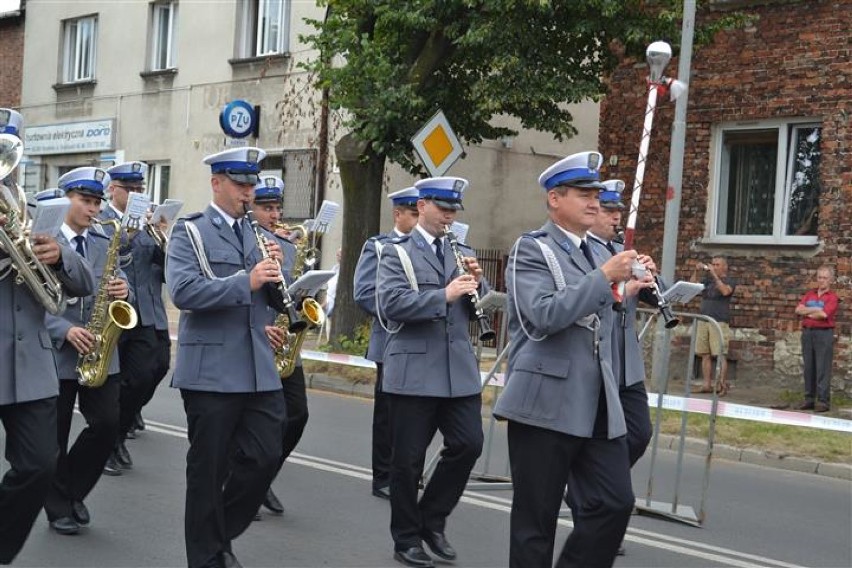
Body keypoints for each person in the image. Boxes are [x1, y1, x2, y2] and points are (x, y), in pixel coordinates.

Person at [493, 151, 637, 568]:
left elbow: (599, 319)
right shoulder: (532, 249)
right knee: (535, 522)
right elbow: (542, 316)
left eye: (596, 194)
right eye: (584, 194)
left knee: (614, 502)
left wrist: (624, 290)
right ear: (555, 198)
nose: (595, 202)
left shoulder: (596, 252)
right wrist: (605, 278)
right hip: (545, 400)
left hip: (595, 400)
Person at [166, 147, 287, 568]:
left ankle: (218, 534)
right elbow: (184, 293)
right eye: (241, 184)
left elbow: (269, 299)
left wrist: (278, 301)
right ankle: (207, 557)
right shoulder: (190, 232)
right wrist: (246, 281)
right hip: (211, 372)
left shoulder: (262, 236)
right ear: (216, 183)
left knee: (265, 457)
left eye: (252, 185)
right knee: (208, 472)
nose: (248, 193)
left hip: (257, 367)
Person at [0, 109, 95, 564]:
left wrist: (57, 257)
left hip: (32, 367)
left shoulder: (38, 212)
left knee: (40, 466)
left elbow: (82, 285)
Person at [377, 177, 486, 568]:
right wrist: (444, 294)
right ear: (422, 206)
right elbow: (391, 303)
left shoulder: (462, 250)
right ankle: (405, 538)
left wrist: (478, 282)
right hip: (414, 368)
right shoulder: (396, 252)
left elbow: (475, 308)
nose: (449, 218)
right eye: (443, 209)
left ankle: (432, 519)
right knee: (407, 461)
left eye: (454, 211)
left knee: (469, 444)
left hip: (457, 370)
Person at [43, 167, 132, 536]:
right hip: (56, 352)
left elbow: (124, 284)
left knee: (108, 424)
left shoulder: (101, 241)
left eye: (97, 202)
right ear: (66, 199)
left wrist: (124, 291)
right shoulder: (43, 240)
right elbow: (28, 300)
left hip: (100, 349)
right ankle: (57, 507)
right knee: (55, 436)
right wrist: (64, 330)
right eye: (85, 201)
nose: (93, 209)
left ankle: (73, 489)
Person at [582, 178, 656, 556]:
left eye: (617, 212)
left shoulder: (623, 252)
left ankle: (602, 496)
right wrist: (622, 289)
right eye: (608, 210)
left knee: (639, 434)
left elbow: (634, 305)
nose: (614, 218)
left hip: (627, 364)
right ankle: (597, 512)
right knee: (598, 444)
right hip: (600, 362)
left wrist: (651, 282)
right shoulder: (585, 253)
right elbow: (586, 301)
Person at [99, 161, 171, 476]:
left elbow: (166, 269)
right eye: (129, 189)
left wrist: (162, 236)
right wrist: (128, 231)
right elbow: (109, 257)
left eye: (139, 189)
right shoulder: (101, 220)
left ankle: (117, 433)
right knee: (113, 383)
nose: (136, 194)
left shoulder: (147, 225)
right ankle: (107, 441)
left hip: (143, 314)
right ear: (112, 189)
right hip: (113, 312)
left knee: (143, 376)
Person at [353, 186, 420, 501]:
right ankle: (383, 476)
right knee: (389, 413)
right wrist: (397, 314)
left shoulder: (427, 248)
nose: (420, 220)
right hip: (391, 337)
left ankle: (408, 472)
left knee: (419, 412)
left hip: (423, 342)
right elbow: (365, 292)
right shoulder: (379, 247)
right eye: (414, 213)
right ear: (398, 214)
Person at [248, 175, 307, 518]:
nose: (274, 214)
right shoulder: (245, 242)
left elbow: (292, 293)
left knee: (297, 414)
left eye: (276, 207)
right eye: (266, 207)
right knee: (252, 424)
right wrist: (262, 327)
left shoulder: (287, 246)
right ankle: (245, 482)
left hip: (284, 342)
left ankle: (262, 477)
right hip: (256, 340)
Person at [691, 256, 736, 395]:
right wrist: (696, 271)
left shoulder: (729, 280)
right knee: (704, 353)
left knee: (720, 353)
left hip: (719, 321)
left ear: (724, 267)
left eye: (717, 264)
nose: (714, 266)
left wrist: (715, 275)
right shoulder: (707, 280)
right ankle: (706, 385)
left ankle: (721, 385)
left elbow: (725, 291)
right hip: (704, 319)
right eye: (713, 264)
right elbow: (692, 288)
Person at [795, 265, 838, 412]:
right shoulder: (809, 294)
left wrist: (807, 311)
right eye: (820, 277)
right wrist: (815, 310)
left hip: (823, 334)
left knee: (822, 368)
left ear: (831, 280)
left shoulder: (832, 297)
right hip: (808, 333)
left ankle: (823, 401)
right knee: (809, 367)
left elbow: (824, 315)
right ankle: (809, 399)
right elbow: (798, 309)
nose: (822, 280)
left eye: (825, 278)